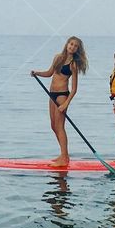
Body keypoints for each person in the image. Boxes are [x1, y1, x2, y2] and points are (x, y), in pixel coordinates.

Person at [31, 36, 88, 167]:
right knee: (53, 126)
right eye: (71, 44)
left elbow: (74, 89)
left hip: (62, 95)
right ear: (67, 44)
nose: (72, 47)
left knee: (60, 126)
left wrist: (66, 103)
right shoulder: (57, 57)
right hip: (51, 94)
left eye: (75, 46)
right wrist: (37, 73)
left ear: (77, 49)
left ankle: (64, 157)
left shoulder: (73, 64)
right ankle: (64, 155)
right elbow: (50, 73)